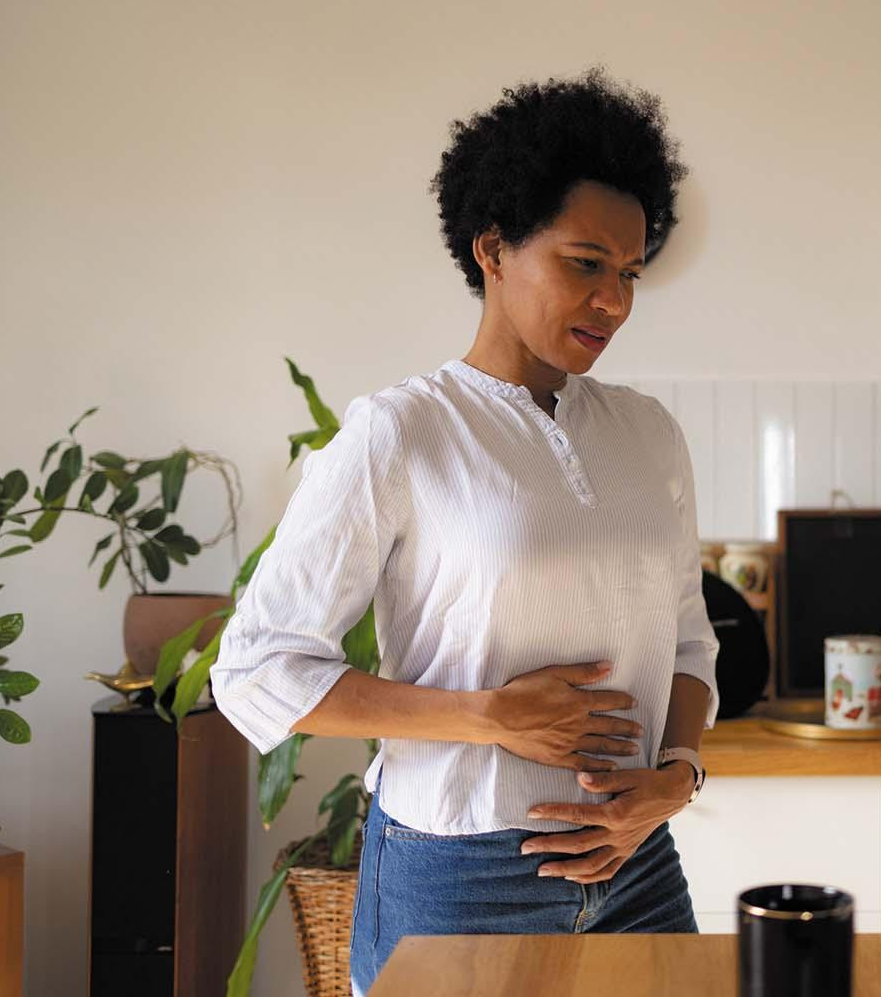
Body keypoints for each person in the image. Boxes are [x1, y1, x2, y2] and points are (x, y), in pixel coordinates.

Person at [208, 68, 718, 995]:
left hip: (636, 867)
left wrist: (677, 775)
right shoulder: (401, 432)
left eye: (632, 273)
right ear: (493, 247)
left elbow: (688, 637)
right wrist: (488, 716)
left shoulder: (648, 434)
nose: (614, 302)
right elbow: (255, 670)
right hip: (460, 876)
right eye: (586, 263)